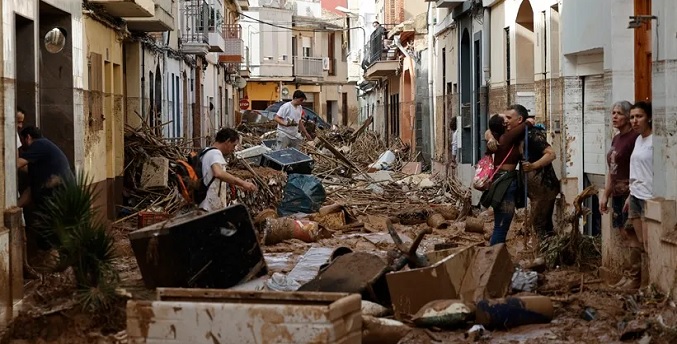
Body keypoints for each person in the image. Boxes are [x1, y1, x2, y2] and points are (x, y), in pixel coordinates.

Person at [486, 105, 559, 240]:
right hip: (531, 190)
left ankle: (545, 257)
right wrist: (490, 136)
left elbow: (551, 154)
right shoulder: (513, 135)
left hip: (544, 187)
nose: (506, 121)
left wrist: (533, 166)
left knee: (540, 226)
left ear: (519, 119)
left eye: (509, 118)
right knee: (538, 226)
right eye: (504, 118)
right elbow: (489, 130)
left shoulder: (531, 135)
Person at [480, 109, 535, 246]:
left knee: (500, 224)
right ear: (504, 125)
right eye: (506, 119)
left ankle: (496, 257)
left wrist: (490, 136)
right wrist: (528, 121)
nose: (508, 121)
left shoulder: (498, 137)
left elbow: (489, 131)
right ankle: (494, 258)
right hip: (505, 184)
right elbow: (528, 123)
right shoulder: (507, 138)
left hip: (500, 181)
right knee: (502, 226)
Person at [17, 126, 73, 249]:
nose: (21, 147)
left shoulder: (39, 144)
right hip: (55, 196)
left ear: (28, 138)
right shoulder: (39, 159)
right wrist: (15, 207)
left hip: (58, 196)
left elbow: (15, 164)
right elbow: (31, 191)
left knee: (50, 233)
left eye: (21, 142)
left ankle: (53, 260)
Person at [199, 127, 258, 212]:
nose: (233, 149)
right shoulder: (215, 153)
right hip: (208, 206)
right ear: (227, 141)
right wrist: (242, 183)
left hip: (205, 204)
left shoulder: (206, 151)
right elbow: (218, 173)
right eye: (233, 145)